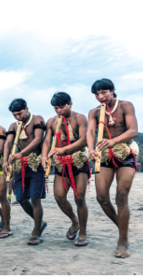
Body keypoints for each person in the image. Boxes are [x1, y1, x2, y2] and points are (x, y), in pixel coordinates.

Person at [87, 79, 138, 258]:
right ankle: (122, 226)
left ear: (112, 91)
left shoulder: (125, 106)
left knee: (121, 196)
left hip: (124, 153)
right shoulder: (94, 112)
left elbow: (133, 131)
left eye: (104, 92)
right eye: (97, 94)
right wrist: (91, 149)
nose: (100, 97)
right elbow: (90, 132)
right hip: (105, 156)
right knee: (102, 197)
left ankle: (122, 241)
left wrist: (114, 141)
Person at [42, 92, 90, 247]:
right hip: (61, 164)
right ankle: (74, 221)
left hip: (78, 162)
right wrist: (44, 156)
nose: (59, 111)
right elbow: (47, 141)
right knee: (59, 197)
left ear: (70, 103)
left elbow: (84, 140)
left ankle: (82, 231)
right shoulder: (51, 121)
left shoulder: (80, 118)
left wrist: (64, 150)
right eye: (56, 108)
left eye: (62, 107)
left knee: (79, 197)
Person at [5, 98, 47, 245]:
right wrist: (5, 160)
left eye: (20, 113)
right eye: (15, 115)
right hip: (20, 165)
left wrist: (20, 154)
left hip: (36, 163)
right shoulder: (13, 126)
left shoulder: (37, 119)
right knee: (21, 198)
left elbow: (37, 139)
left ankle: (36, 230)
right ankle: (40, 222)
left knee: (35, 198)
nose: (18, 117)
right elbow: (8, 143)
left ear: (26, 108)